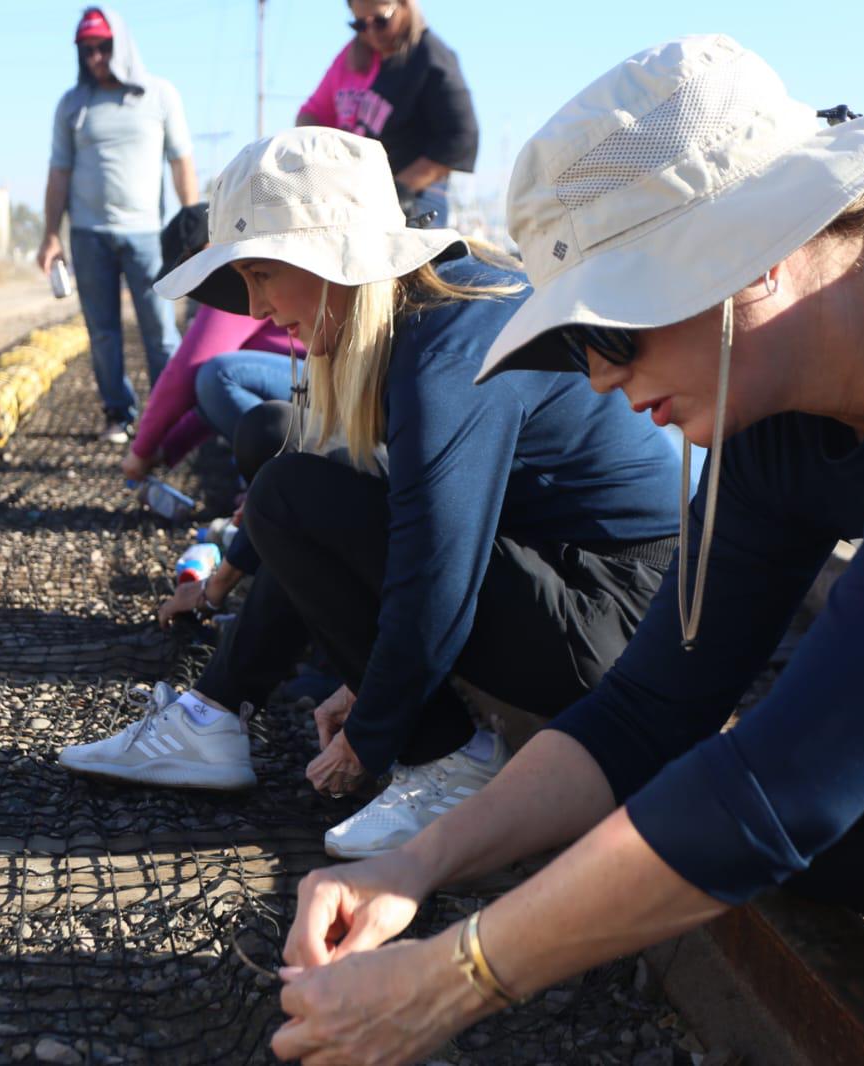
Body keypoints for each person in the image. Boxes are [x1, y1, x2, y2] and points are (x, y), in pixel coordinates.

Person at [268, 36, 864, 1065]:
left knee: (773, 797)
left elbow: (796, 780)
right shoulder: (773, 415)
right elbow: (647, 710)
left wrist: (454, 978)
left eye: (608, 331)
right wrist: (418, 862)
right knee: (718, 805)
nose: (591, 378)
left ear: (752, 249)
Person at [58, 128, 682, 863]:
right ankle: (214, 715)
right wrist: (365, 675)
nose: (256, 307)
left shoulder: (450, 354)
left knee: (291, 493)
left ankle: (450, 762)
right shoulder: (424, 313)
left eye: (262, 274)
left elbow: (435, 572)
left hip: (616, 614)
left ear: (330, 260)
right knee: (293, 474)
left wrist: (375, 727)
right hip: (569, 577)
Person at [37, 6, 198, 445]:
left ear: (122, 44)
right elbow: (59, 174)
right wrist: (52, 234)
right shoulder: (72, 105)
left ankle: (168, 417)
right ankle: (118, 413)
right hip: (89, 236)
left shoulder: (159, 95)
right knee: (103, 332)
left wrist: (194, 220)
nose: (94, 58)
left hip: (146, 235)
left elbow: (181, 161)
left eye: (103, 47)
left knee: (160, 329)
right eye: (86, 50)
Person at [123, 204, 295, 484]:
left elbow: (187, 370)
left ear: (206, 249)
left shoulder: (235, 273)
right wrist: (167, 450)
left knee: (220, 374)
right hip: (305, 380)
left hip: (316, 380)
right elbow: (207, 404)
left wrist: (140, 451)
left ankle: (282, 477)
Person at [295, 0, 478, 226]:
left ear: (404, 5)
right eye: (360, 25)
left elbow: (461, 136)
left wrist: (398, 188)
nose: (371, 33)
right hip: (356, 199)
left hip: (415, 197)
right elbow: (311, 115)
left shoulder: (430, 56)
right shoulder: (350, 58)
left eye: (381, 21)